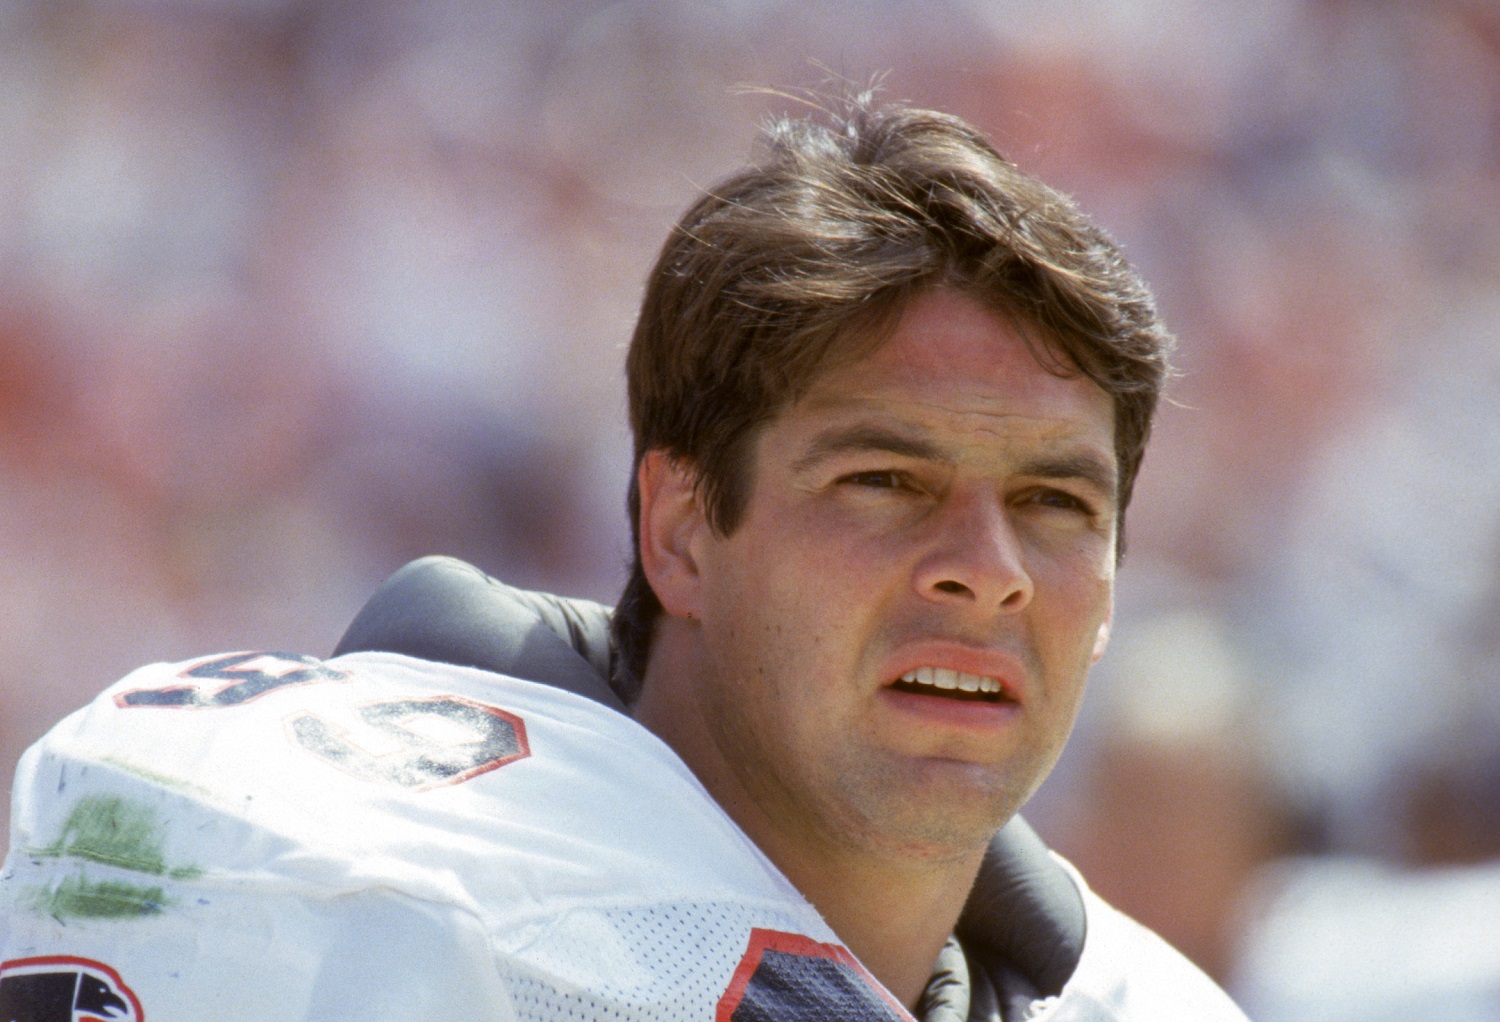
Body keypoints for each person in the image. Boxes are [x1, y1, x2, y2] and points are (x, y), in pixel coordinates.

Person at [0, 96, 1249, 1020]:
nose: (986, 567)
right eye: (884, 481)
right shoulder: (357, 885)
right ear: (680, 531)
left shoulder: (1154, 1005)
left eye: (1054, 503)